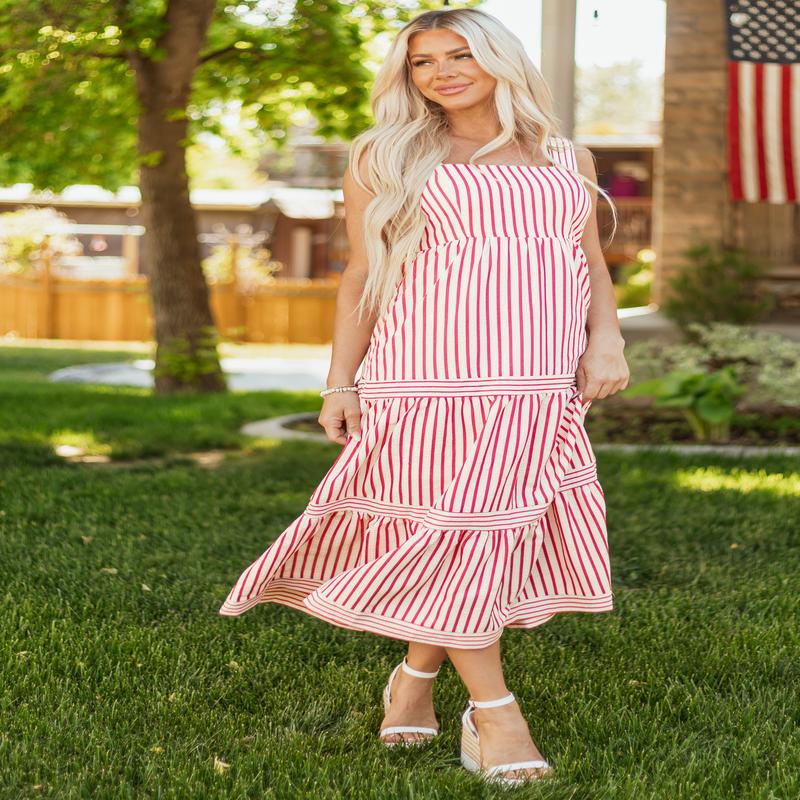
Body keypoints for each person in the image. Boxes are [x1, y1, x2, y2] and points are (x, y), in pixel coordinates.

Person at [219, 7, 630, 787]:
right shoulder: (387, 155)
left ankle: (414, 676)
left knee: (476, 536)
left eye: (458, 53)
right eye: (421, 61)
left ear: (497, 58)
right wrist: (342, 379)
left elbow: (591, 263)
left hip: (534, 380)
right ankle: (496, 714)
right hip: (425, 378)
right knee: (461, 530)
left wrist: (604, 340)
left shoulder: (565, 157)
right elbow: (360, 276)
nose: (440, 71)